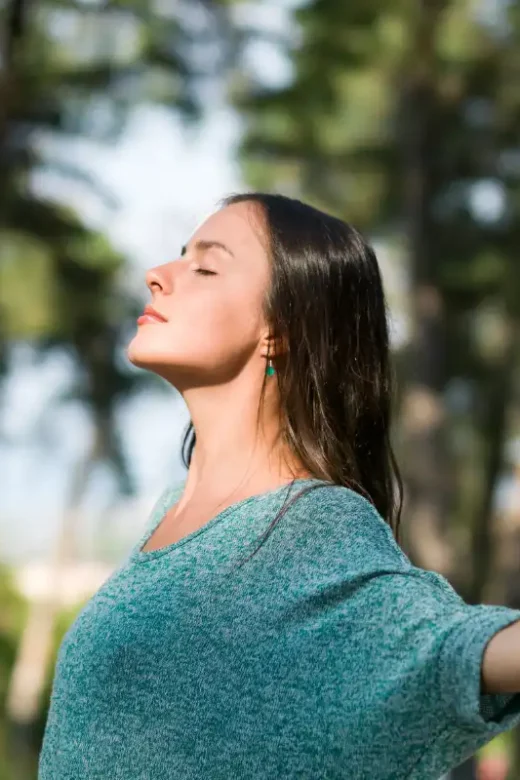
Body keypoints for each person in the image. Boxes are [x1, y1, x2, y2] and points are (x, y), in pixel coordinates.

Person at [38, 193, 520, 779]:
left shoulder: (313, 525)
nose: (157, 275)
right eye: (178, 256)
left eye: (206, 267)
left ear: (280, 329)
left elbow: (449, 651)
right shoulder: (174, 510)